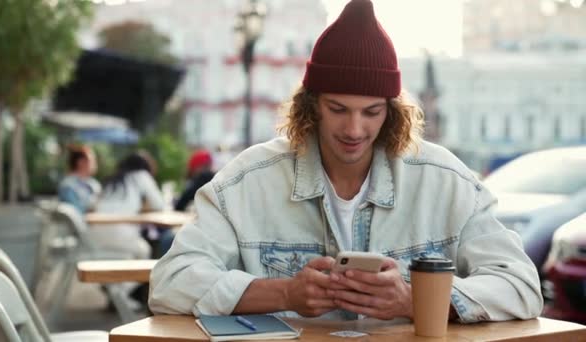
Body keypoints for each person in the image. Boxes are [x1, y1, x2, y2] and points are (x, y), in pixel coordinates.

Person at [149, 0, 542, 323]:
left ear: (392, 112)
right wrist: (284, 292)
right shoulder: (246, 181)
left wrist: (414, 301)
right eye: (338, 109)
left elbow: (522, 285)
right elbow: (171, 282)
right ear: (311, 106)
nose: (354, 129)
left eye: (371, 112)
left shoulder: (447, 181)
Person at [90, 151, 165, 259]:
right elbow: (159, 205)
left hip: (96, 237)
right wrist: (143, 207)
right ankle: (140, 276)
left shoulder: (111, 179)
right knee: (145, 250)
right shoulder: (141, 175)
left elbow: (93, 205)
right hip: (122, 238)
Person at [58, 145, 101, 213]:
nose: (95, 164)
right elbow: (76, 212)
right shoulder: (68, 186)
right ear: (80, 162)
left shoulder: (93, 184)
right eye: (92, 160)